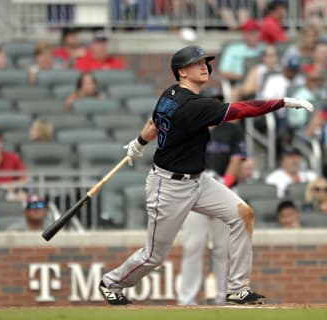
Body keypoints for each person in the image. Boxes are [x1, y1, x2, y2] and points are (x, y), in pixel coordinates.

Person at [98, 45, 313, 306]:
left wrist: (139, 143)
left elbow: (153, 124)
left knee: (243, 214)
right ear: (181, 72)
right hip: (168, 186)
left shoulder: (170, 93)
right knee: (154, 255)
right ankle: (111, 283)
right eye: (196, 63)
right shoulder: (193, 105)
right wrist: (281, 103)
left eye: (205, 62)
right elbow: (242, 109)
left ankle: (237, 288)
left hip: (198, 180)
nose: (204, 66)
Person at [178, 87, 246, 306]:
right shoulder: (189, 128)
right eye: (210, 101)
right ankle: (186, 300)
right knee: (193, 246)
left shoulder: (232, 131)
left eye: (218, 101)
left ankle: (221, 298)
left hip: (223, 191)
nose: (214, 105)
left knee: (222, 248)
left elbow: (237, 160)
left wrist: (224, 184)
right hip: (193, 191)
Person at [218, 19, 265, 94]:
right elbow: (223, 72)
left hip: (262, 83)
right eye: (251, 33)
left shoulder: (263, 48)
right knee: (237, 91)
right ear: (244, 34)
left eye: (257, 32)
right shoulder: (233, 49)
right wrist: (244, 77)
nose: (255, 35)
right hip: (239, 83)